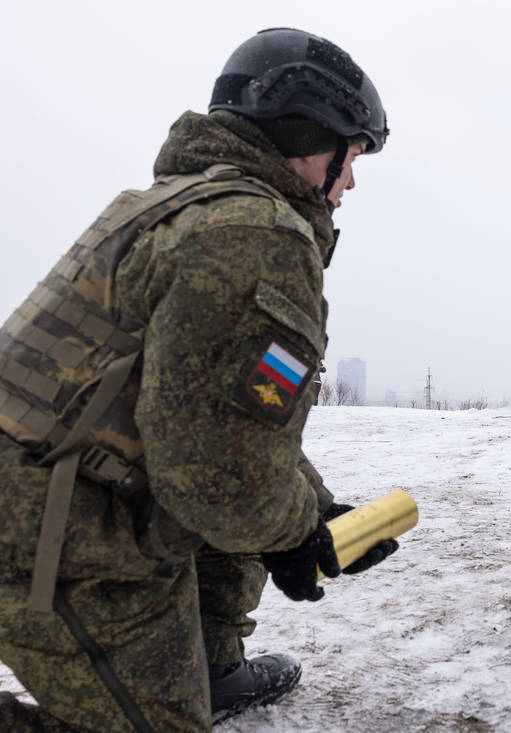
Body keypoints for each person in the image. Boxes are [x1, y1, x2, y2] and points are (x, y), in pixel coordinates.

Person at [0, 28, 398, 732]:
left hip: (46, 487)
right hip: (49, 523)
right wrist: (298, 534)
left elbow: (230, 421)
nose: (352, 183)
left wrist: (319, 512)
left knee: (247, 501)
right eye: (352, 156)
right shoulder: (255, 234)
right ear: (309, 134)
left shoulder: (178, 204)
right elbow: (214, 470)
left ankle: (206, 667)